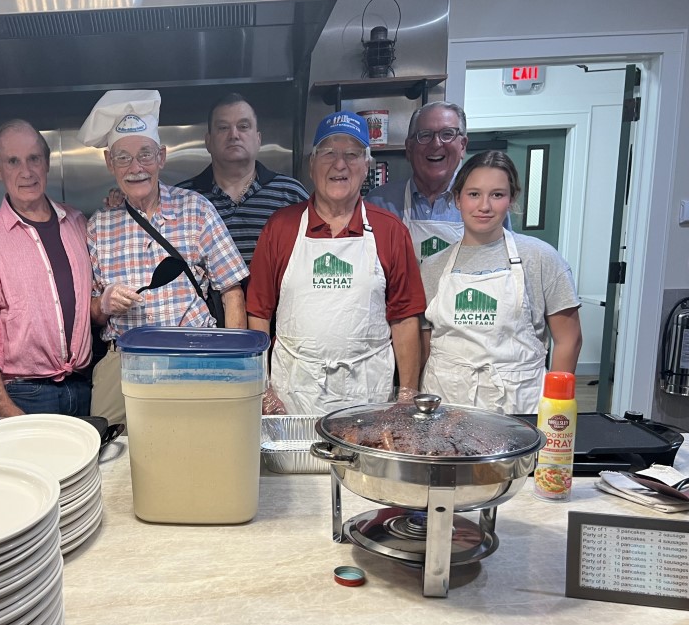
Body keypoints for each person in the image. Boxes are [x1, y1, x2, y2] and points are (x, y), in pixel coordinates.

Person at [78, 89, 249, 425]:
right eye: (123, 157)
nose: (136, 167)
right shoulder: (99, 226)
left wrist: (234, 363)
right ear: (109, 162)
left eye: (145, 154)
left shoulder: (195, 210)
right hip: (125, 362)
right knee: (110, 454)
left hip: (194, 357)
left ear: (162, 157)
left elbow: (232, 293)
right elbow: (92, 313)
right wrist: (104, 303)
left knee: (200, 450)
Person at [247, 111, 425, 416]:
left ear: (366, 165)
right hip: (293, 394)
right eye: (328, 152)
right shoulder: (281, 227)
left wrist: (407, 395)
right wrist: (262, 388)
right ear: (312, 164)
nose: (339, 164)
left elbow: (405, 318)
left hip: (368, 397)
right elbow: (259, 312)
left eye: (352, 154)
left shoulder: (390, 231)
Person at [420, 150, 582, 414]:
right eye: (474, 194)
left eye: (497, 195)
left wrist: (555, 410)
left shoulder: (541, 257)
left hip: (518, 405)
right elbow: (427, 342)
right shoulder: (433, 266)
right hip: (447, 403)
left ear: (511, 199)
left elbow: (569, 340)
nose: (484, 206)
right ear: (458, 199)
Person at [0, 120, 93, 417]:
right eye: (13, 161)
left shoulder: (77, 222)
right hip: (25, 394)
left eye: (34, 158)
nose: (26, 171)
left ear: (47, 162)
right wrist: (1, 403)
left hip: (83, 386)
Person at [175, 93, 309, 265]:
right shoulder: (182, 199)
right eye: (223, 128)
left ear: (258, 139)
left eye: (243, 126)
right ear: (208, 141)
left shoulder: (291, 194)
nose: (234, 135)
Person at [367, 101, 509, 262]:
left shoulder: (488, 205)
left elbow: (502, 263)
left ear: (462, 146)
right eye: (425, 135)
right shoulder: (378, 203)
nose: (436, 144)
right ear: (409, 148)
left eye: (447, 134)